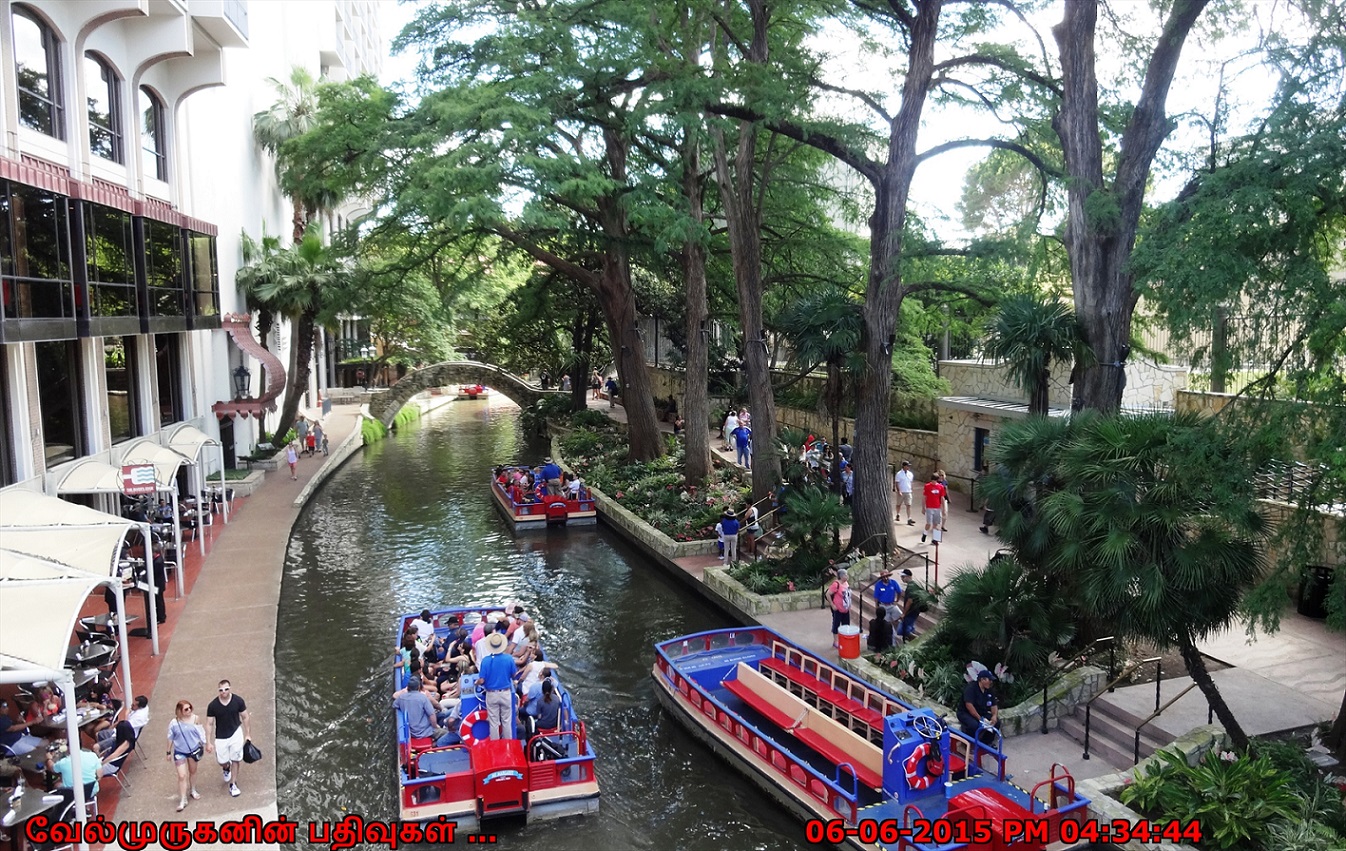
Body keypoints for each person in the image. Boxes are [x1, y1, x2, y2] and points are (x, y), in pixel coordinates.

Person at [205, 679, 251, 798]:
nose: (223, 692)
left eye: (226, 689)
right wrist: (208, 742)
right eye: (221, 690)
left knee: (236, 759)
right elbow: (209, 723)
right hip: (221, 736)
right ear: (218, 691)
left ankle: (233, 784)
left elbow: (245, 717)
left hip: (235, 733)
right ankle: (226, 768)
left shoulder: (238, 701)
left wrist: (247, 734)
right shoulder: (213, 705)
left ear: (230, 689)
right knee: (222, 761)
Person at [166, 699, 206, 812]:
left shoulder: (195, 718)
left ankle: (193, 789)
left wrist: (205, 743)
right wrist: (168, 752)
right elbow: (170, 737)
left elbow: (200, 732)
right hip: (180, 751)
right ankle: (183, 799)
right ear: (180, 711)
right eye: (186, 709)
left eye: (190, 708)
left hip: (193, 750)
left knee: (193, 771)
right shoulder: (174, 723)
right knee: (182, 775)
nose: (189, 711)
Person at [478, 632, 516, 740]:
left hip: (491, 695)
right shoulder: (509, 659)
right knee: (507, 721)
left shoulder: (485, 661)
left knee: (493, 722)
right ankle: (508, 744)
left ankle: (495, 745)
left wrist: (477, 682)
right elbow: (513, 675)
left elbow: (481, 680)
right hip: (505, 693)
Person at [393, 676, 448, 746]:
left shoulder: (401, 698)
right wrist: (435, 726)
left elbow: (395, 705)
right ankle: (435, 744)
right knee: (449, 734)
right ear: (419, 687)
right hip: (425, 731)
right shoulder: (423, 698)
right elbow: (432, 714)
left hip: (411, 732)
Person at [46, 746, 100, 812]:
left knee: (57, 785)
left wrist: (49, 759)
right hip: (91, 791)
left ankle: (59, 809)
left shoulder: (63, 762)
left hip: (72, 794)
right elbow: (100, 775)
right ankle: (85, 807)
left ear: (68, 748)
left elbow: (51, 768)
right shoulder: (92, 756)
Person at [958, 670, 1000, 746]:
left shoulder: (989, 690)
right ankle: (968, 745)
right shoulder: (971, 688)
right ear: (982, 680)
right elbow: (969, 705)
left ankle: (986, 743)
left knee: (996, 722)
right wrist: (980, 719)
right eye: (989, 680)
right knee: (973, 725)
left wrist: (994, 716)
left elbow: (994, 705)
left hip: (981, 712)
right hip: (966, 712)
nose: (991, 682)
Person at [895, 569, 924, 640]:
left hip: (911, 611)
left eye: (903, 577)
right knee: (910, 626)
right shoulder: (914, 585)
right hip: (915, 610)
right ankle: (911, 639)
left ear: (908, 576)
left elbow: (910, 601)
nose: (902, 579)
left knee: (901, 630)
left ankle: (916, 639)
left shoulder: (911, 587)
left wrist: (904, 613)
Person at [921, 470, 949, 544]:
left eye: (935, 481)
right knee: (929, 523)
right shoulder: (927, 486)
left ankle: (935, 539)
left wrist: (943, 508)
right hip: (929, 507)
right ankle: (925, 533)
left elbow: (942, 498)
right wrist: (923, 507)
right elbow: (924, 497)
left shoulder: (940, 487)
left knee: (936, 524)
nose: (934, 482)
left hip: (937, 507)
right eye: (933, 481)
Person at [827, 567, 852, 649]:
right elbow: (828, 594)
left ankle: (844, 640)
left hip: (846, 609)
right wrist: (832, 605)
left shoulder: (846, 583)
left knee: (846, 625)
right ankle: (836, 641)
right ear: (841, 576)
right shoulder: (836, 584)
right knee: (836, 625)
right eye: (845, 574)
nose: (847, 576)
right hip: (838, 608)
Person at [894, 460, 915, 525]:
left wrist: (911, 489)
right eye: (907, 466)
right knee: (898, 504)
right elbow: (897, 483)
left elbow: (911, 482)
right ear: (904, 466)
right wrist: (899, 491)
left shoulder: (910, 474)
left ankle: (909, 518)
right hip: (901, 491)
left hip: (908, 491)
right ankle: (898, 514)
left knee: (908, 505)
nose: (908, 467)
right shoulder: (899, 474)